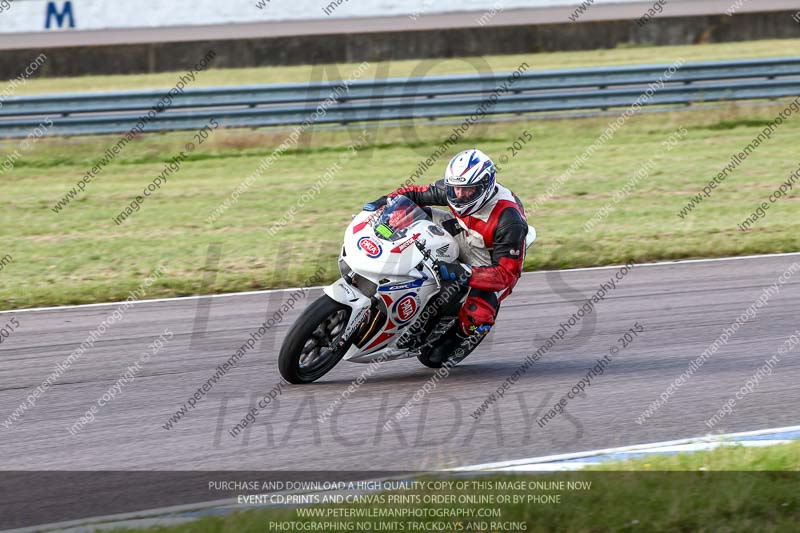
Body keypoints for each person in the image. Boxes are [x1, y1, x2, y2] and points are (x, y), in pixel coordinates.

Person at [364, 148, 529, 365]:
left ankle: (463, 335)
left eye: (468, 190)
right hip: (463, 230)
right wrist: (384, 201)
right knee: (408, 216)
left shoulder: (509, 221)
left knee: (477, 315)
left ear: (485, 186)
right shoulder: (453, 189)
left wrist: (463, 272)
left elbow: (506, 276)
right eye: (455, 188)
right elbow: (414, 193)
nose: (459, 195)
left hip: (488, 259)